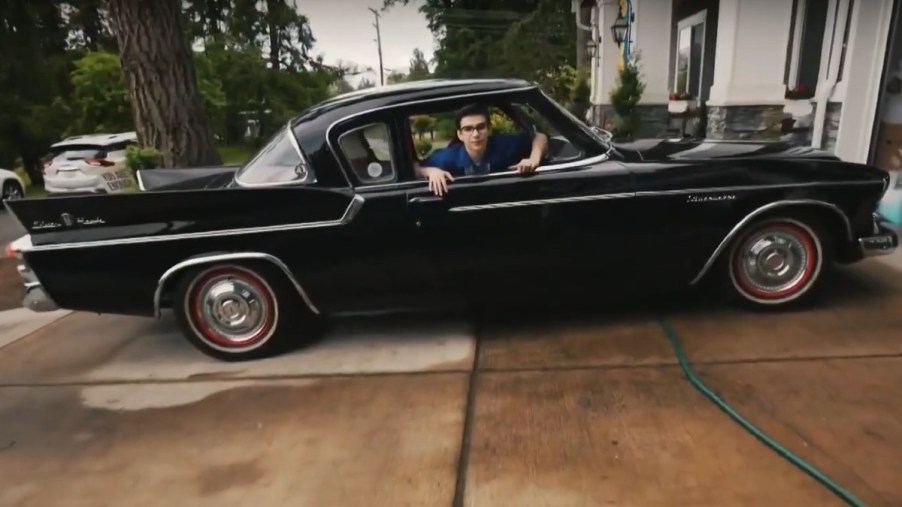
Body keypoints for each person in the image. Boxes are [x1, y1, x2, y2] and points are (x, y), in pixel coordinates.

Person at [415, 103, 548, 196]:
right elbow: (415, 167)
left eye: (480, 127)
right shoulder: (447, 157)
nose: (475, 134)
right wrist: (430, 171)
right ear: (460, 135)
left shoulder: (505, 145)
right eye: (468, 129)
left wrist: (533, 158)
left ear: (489, 129)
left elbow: (540, 137)